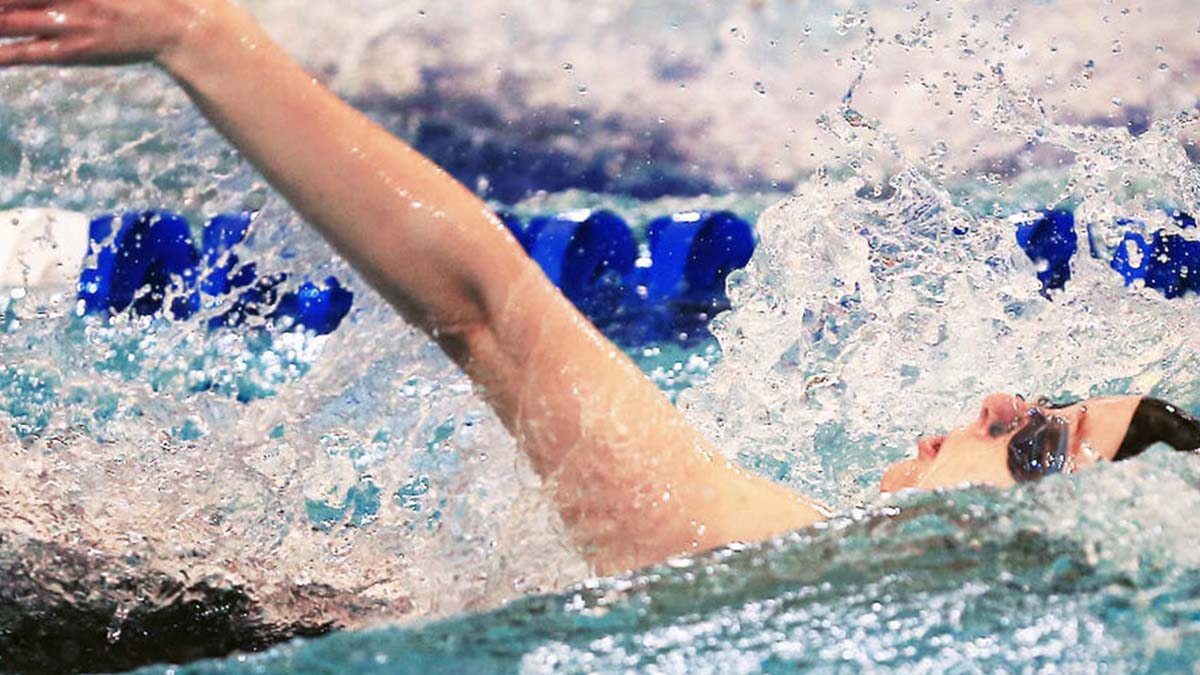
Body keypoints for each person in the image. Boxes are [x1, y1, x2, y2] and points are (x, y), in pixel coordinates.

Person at [1, 0, 1197, 576]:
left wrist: (196, 36)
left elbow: (482, 304)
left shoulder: (755, 555)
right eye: (1039, 407)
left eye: (1037, 449)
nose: (1000, 402)